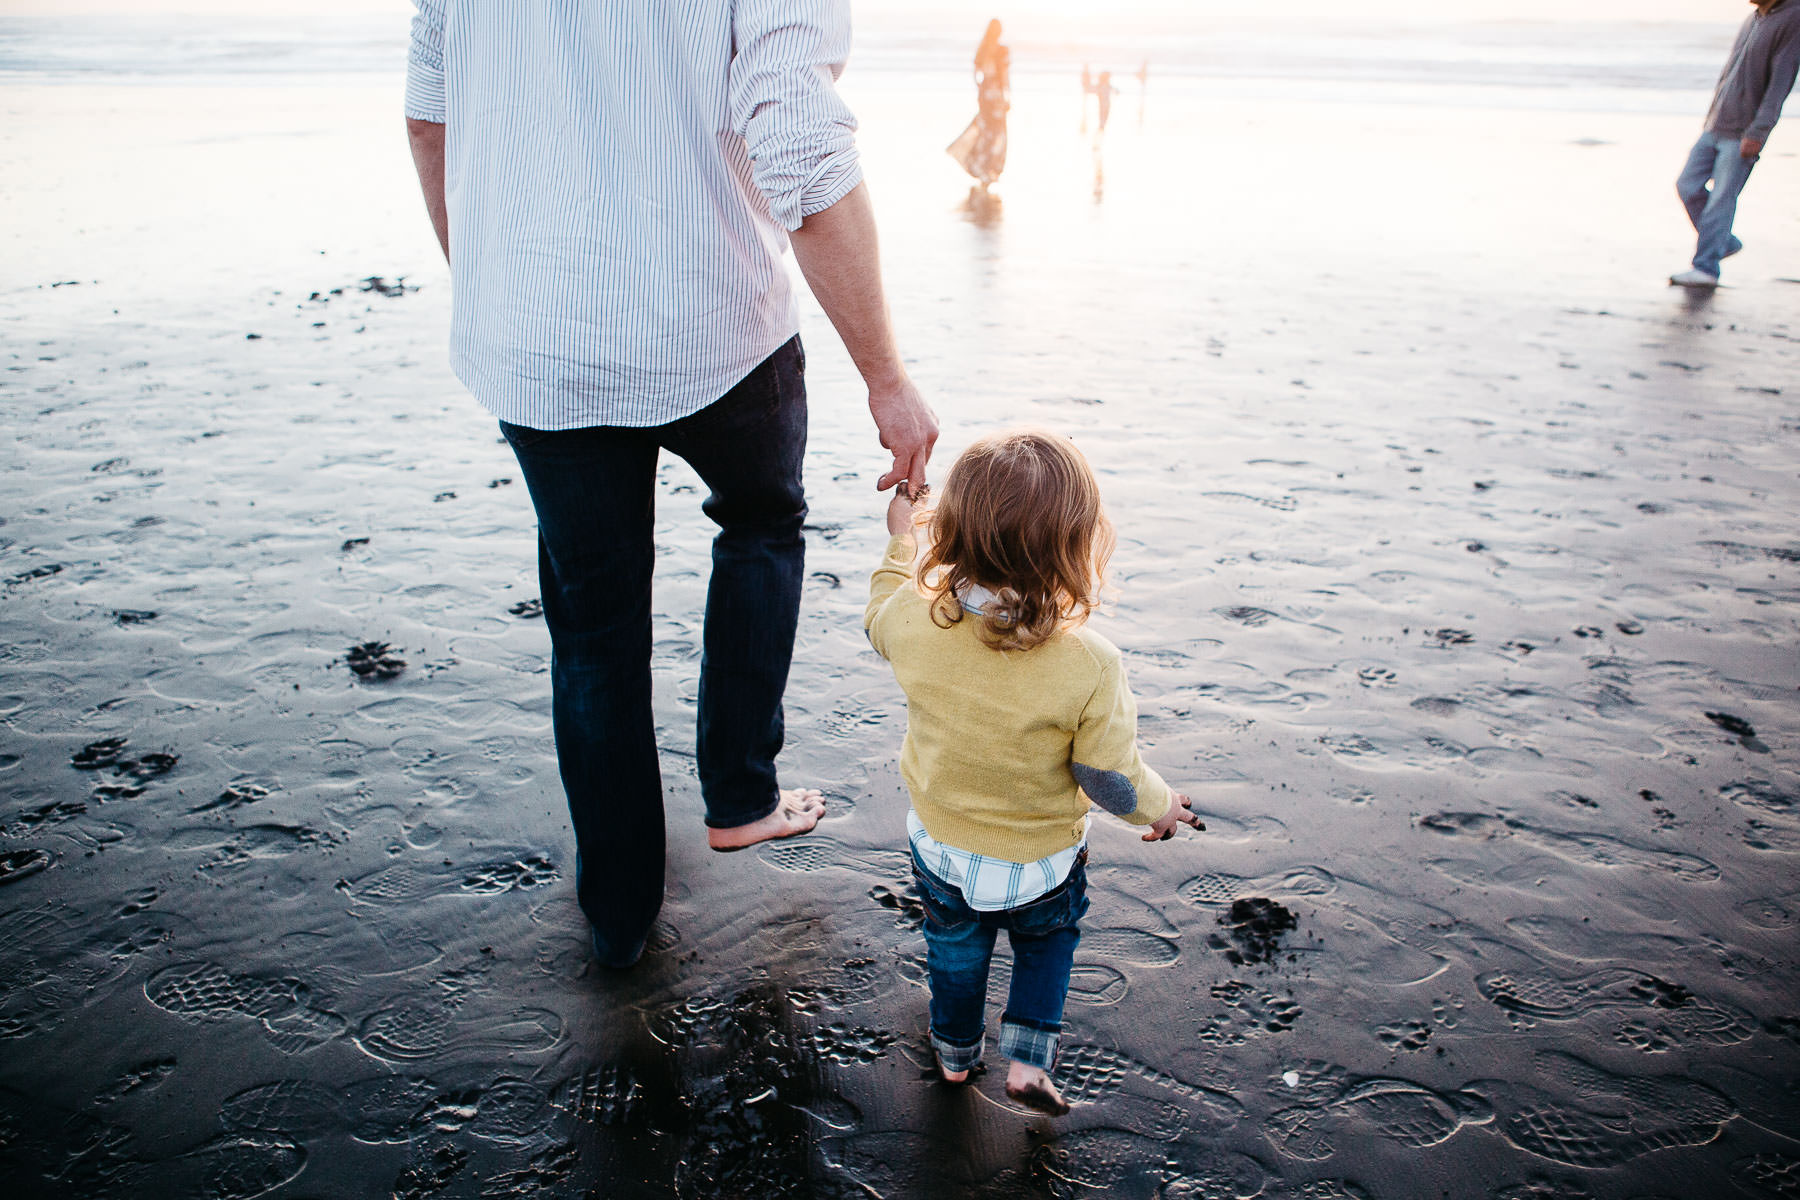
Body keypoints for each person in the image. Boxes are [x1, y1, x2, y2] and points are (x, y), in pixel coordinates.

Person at [403, 0, 939, 969]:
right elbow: (803, 150)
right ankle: (739, 792)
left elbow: (430, 112)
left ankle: (618, 906)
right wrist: (885, 378)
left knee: (594, 630)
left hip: (538, 339)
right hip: (714, 319)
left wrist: (492, 282)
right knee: (762, 520)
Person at [863, 430, 1201, 1115]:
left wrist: (904, 540)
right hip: (1041, 862)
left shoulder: (911, 619)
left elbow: (879, 614)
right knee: (1048, 946)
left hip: (943, 846)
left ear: (952, 531)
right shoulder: (1090, 664)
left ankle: (956, 1056)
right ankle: (1028, 1063)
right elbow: (1109, 777)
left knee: (954, 954)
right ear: (1076, 548)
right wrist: (1161, 808)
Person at [1670, 0, 1800, 288]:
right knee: (1687, 186)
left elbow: (1781, 82)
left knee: (1721, 200)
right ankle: (1722, 242)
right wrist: (1711, 116)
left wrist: (1758, 132)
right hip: (1716, 124)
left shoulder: (1793, 18)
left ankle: (1706, 268)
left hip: (1744, 131)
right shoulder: (1754, 18)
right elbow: (1730, 74)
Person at [948, 19, 1011, 188]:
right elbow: (1004, 75)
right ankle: (990, 169)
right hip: (996, 95)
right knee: (997, 133)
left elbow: (976, 72)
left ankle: (981, 167)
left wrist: (981, 87)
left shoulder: (983, 49)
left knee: (985, 131)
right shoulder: (1001, 50)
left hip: (985, 94)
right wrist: (1007, 95)